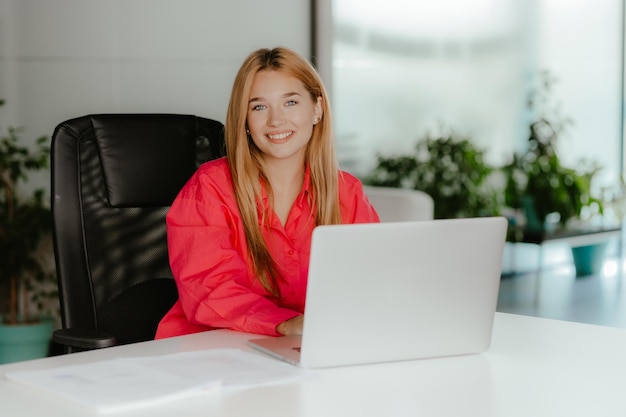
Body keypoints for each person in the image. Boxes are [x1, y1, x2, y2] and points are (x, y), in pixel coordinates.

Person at [155, 47, 379, 339]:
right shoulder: (210, 187)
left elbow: (371, 279)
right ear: (244, 120)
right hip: (207, 354)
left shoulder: (345, 192)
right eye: (259, 107)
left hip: (304, 351)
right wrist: (286, 324)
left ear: (317, 109)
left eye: (290, 102)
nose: (276, 120)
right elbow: (209, 287)